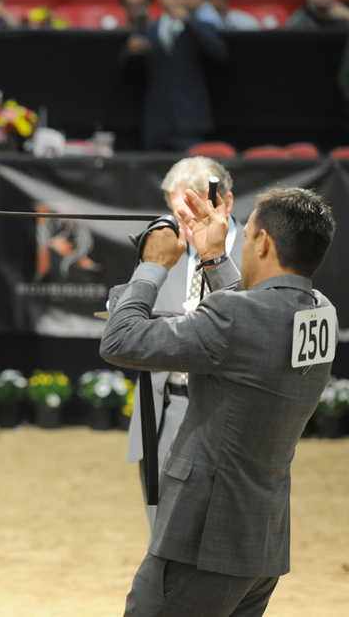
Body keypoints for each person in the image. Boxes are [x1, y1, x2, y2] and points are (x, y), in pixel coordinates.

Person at [101, 186, 336, 617]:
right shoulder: (321, 312)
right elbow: (257, 323)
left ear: (263, 243)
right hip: (261, 543)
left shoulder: (235, 317)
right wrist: (212, 256)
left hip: (201, 541)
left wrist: (152, 266)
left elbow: (120, 341)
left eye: (244, 238)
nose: (240, 246)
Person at [126, 158, 244, 530]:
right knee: (161, 531)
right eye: (177, 214)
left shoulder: (257, 253)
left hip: (227, 412)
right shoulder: (164, 249)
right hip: (163, 408)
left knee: (219, 533)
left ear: (224, 202)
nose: (184, 225)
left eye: (191, 213)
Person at [121, 0, 228, 151]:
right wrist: (130, 54)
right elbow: (129, 75)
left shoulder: (200, 28)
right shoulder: (147, 31)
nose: (175, 0)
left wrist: (188, 21)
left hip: (190, 122)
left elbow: (219, 54)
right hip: (156, 123)